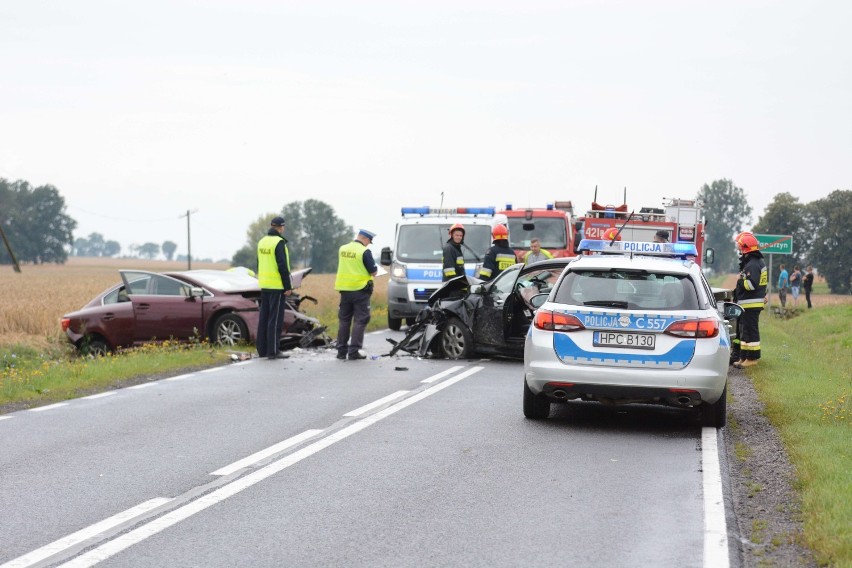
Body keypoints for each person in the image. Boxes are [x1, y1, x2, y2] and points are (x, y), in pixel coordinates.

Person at [334, 229, 378, 361]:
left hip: (345, 290)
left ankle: (341, 351)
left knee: (344, 320)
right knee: (360, 320)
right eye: (369, 242)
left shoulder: (343, 249)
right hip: (360, 291)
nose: (368, 244)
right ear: (365, 239)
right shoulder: (364, 251)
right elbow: (373, 271)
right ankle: (354, 351)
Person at [256, 216, 292, 360]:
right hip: (277, 286)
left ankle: (262, 350)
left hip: (264, 285)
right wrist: (287, 286)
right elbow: (282, 266)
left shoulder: (262, 242)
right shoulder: (279, 242)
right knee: (275, 319)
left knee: (264, 318)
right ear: (281, 227)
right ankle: (274, 351)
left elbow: (259, 262)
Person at [733, 232, 767, 369]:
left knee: (751, 331)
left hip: (751, 304)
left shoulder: (753, 264)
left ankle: (752, 358)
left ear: (745, 248)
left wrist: (741, 280)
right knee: (745, 330)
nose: (739, 249)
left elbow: (751, 285)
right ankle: (745, 357)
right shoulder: (754, 262)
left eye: (740, 247)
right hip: (748, 304)